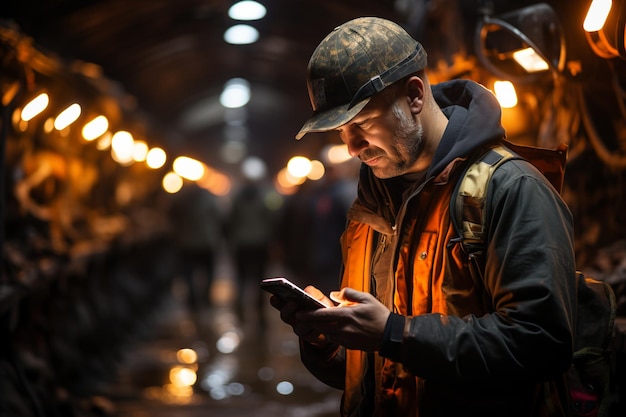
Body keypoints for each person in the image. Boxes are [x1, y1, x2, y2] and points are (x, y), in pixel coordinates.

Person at [268, 16, 577, 417]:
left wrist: (395, 333)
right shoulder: (372, 208)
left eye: (362, 123)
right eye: (343, 131)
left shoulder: (509, 189)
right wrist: (328, 339)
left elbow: (541, 344)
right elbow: (376, 369)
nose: (352, 148)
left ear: (414, 96)